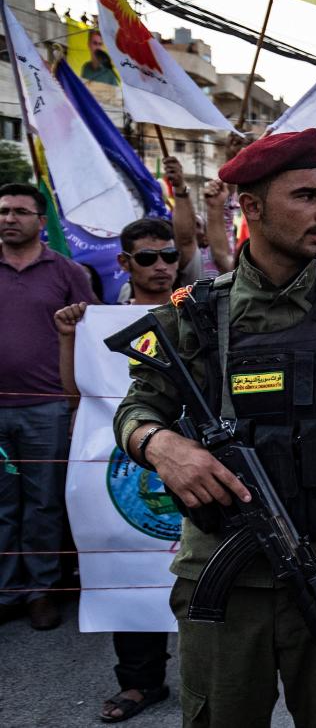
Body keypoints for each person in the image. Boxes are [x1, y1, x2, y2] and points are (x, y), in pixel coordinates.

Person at [111, 128, 316, 725]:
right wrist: (161, 446)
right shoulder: (194, 312)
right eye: (305, 196)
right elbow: (135, 409)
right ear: (253, 208)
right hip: (222, 577)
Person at [56, 219, 176, 723]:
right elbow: (74, 391)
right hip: (133, 475)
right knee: (134, 565)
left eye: (169, 255)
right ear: (125, 263)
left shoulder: (206, 311)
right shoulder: (101, 322)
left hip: (202, 463)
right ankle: (140, 682)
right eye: (147, 258)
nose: (161, 267)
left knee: (215, 576)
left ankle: (227, 682)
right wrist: (70, 336)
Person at [0, 183, 96, 631]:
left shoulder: (67, 271)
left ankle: (41, 590)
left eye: (20, 211)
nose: (9, 218)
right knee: (2, 502)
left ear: (42, 221)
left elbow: (91, 332)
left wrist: (81, 403)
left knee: (43, 502)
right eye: (3, 211)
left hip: (47, 408)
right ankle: (7, 591)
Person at [165, 157, 233, 286]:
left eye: (197, 225)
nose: (190, 226)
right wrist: (180, 187)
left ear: (208, 238)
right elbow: (185, 240)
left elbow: (221, 253)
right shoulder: (191, 262)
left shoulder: (230, 265)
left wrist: (215, 207)